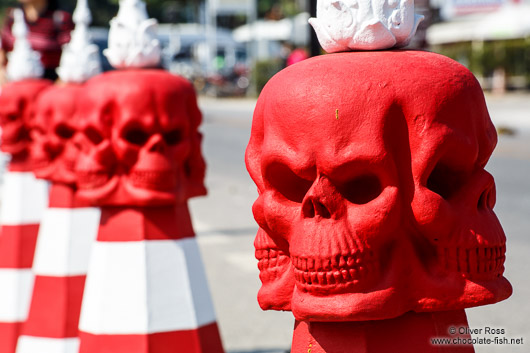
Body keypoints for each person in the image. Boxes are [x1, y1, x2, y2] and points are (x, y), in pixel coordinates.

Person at [0, 0, 74, 83]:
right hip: (13, 85)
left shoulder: (60, 18)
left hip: (49, 85)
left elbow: (72, 55)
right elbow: (3, 48)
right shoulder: (12, 16)